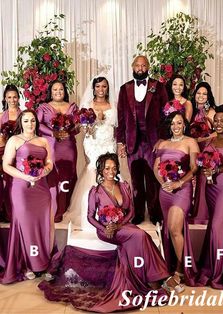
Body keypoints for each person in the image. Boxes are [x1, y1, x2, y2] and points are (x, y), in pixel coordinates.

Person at [39, 153, 169, 312]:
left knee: (140, 235)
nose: (111, 171)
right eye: (107, 168)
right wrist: (104, 228)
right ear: (101, 170)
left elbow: (131, 212)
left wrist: (119, 224)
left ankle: (146, 279)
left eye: (114, 168)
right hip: (105, 231)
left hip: (122, 226)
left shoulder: (124, 186)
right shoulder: (96, 191)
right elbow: (90, 217)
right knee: (140, 235)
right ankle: (157, 278)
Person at [0, 109, 54, 283]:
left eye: (32, 121)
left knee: (42, 223)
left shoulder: (44, 141)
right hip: (20, 188)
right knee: (25, 224)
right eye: (26, 121)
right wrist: (26, 177)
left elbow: (50, 163)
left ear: (36, 123)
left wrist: (43, 171)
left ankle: (42, 263)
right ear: (20, 123)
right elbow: (6, 166)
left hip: (41, 188)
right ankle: (27, 264)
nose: (30, 124)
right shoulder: (14, 140)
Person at [116, 55, 168, 225]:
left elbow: (166, 114)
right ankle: (138, 213)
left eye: (143, 65)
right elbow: (121, 118)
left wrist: (163, 139)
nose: (140, 68)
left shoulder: (158, 87)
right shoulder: (125, 89)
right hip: (133, 142)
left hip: (152, 141)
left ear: (148, 67)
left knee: (153, 179)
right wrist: (120, 142)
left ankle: (154, 214)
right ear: (132, 67)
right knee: (136, 180)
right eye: (137, 65)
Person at [153, 111, 199, 291]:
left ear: (184, 124)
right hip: (165, 191)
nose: (176, 126)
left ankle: (180, 273)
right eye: (173, 123)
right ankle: (172, 266)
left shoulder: (190, 142)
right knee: (170, 230)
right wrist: (163, 184)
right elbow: (156, 167)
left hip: (182, 190)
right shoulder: (162, 143)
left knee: (174, 228)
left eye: (179, 123)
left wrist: (179, 182)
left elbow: (194, 168)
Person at [64, 76, 117, 229]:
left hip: (109, 142)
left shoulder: (113, 104)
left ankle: (109, 208)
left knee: (110, 170)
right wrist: (93, 122)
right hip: (93, 142)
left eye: (104, 87)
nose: (101, 89)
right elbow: (83, 128)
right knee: (94, 169)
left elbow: (117, 125)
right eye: (98, 86)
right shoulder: (88, 105)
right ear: (93, 88)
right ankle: (90, 210)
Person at [197, 104, 223, 293]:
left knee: (217, 226)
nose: (219, 123)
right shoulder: (210, 141)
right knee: (221, 225)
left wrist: (219, 168)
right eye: (217, 121)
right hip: (211, 187)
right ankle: (222, 267)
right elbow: (201, 160)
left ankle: (219, 274)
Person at [36, 80, 79, 222]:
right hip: (51, 146)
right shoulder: (44, 107)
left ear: (65, 91)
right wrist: (52, 133)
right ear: (51, 91)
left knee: (68, 175)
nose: (58, 92)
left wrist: (71, 131)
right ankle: (55, 209)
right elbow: (38, 124)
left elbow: (77, 126)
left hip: (68, 147)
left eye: (61, 89)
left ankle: (66, 206)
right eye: (55, 89)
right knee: (54, 176)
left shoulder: (72, 107)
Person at [190, 82, 216, 224]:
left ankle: (203, 215)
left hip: (206, 151)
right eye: (199, 93)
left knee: (203, 181)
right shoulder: (191, 110)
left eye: (204, 94)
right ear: (195, 95)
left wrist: (202, 138)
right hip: (192, 150)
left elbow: (217, 133)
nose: (201, 96)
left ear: (208, 96)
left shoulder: (211, 112)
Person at [0, 84, 21, 222]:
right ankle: (5, 212)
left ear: (18, 98)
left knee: (17, 182)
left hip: (19, 152)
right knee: (5, 182)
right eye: (9, 97)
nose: (12, 100)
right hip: (3, 151)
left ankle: (17, 211)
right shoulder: (1, 116)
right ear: (5, 99)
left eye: (14, 97)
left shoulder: (24, 114)